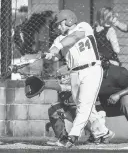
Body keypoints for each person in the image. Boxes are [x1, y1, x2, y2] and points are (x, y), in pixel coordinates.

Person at [44, 9, 114, 148]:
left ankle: (72, 136)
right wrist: (50, 55)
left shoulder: (83, 26)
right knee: (85, 107)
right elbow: (57, 55)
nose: (58, 27)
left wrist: (57, 47)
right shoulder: (58, 39)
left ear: (69, 20)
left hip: (92, 69)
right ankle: (104, 132)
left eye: (60, 24)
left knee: (84, 105)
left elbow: (75, 36)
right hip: (74, 74)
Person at [46, 58, 128, 145]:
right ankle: (97, 135)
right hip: (108, 105)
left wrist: (118, 94)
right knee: (82, 106)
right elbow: (64, 87)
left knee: (126, 100)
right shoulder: (88, 77)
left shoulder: (117, 72)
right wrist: (44, 85)